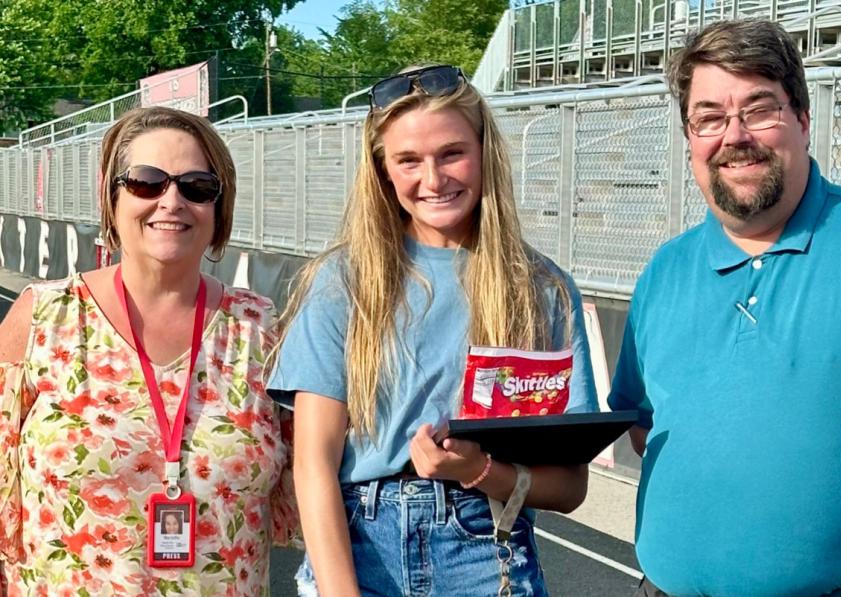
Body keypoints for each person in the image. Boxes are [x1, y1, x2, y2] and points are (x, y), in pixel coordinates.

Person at [268, 64, 599, 596]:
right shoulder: (344, 281)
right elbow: (312, 463)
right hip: (360, 545)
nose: (433, 179)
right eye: (408, 161)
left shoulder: (541, 290)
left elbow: (569, 488)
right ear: (383, 171)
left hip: (484, 548)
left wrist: (479, 469)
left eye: (451, 153)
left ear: (484, 151)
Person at [608, 19, 841, 597]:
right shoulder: (663, 273)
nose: (735, 135)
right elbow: (644, 427)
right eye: (710, 118)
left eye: (760, 109)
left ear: (801, 118)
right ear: (690, 136)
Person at [0, 106, 298, 595]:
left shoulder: (260, 330)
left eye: (197, 186)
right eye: (146, 182)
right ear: (111, 197)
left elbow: (318, 488)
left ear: (218, 206)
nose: (172, 201)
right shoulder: (45, 318)